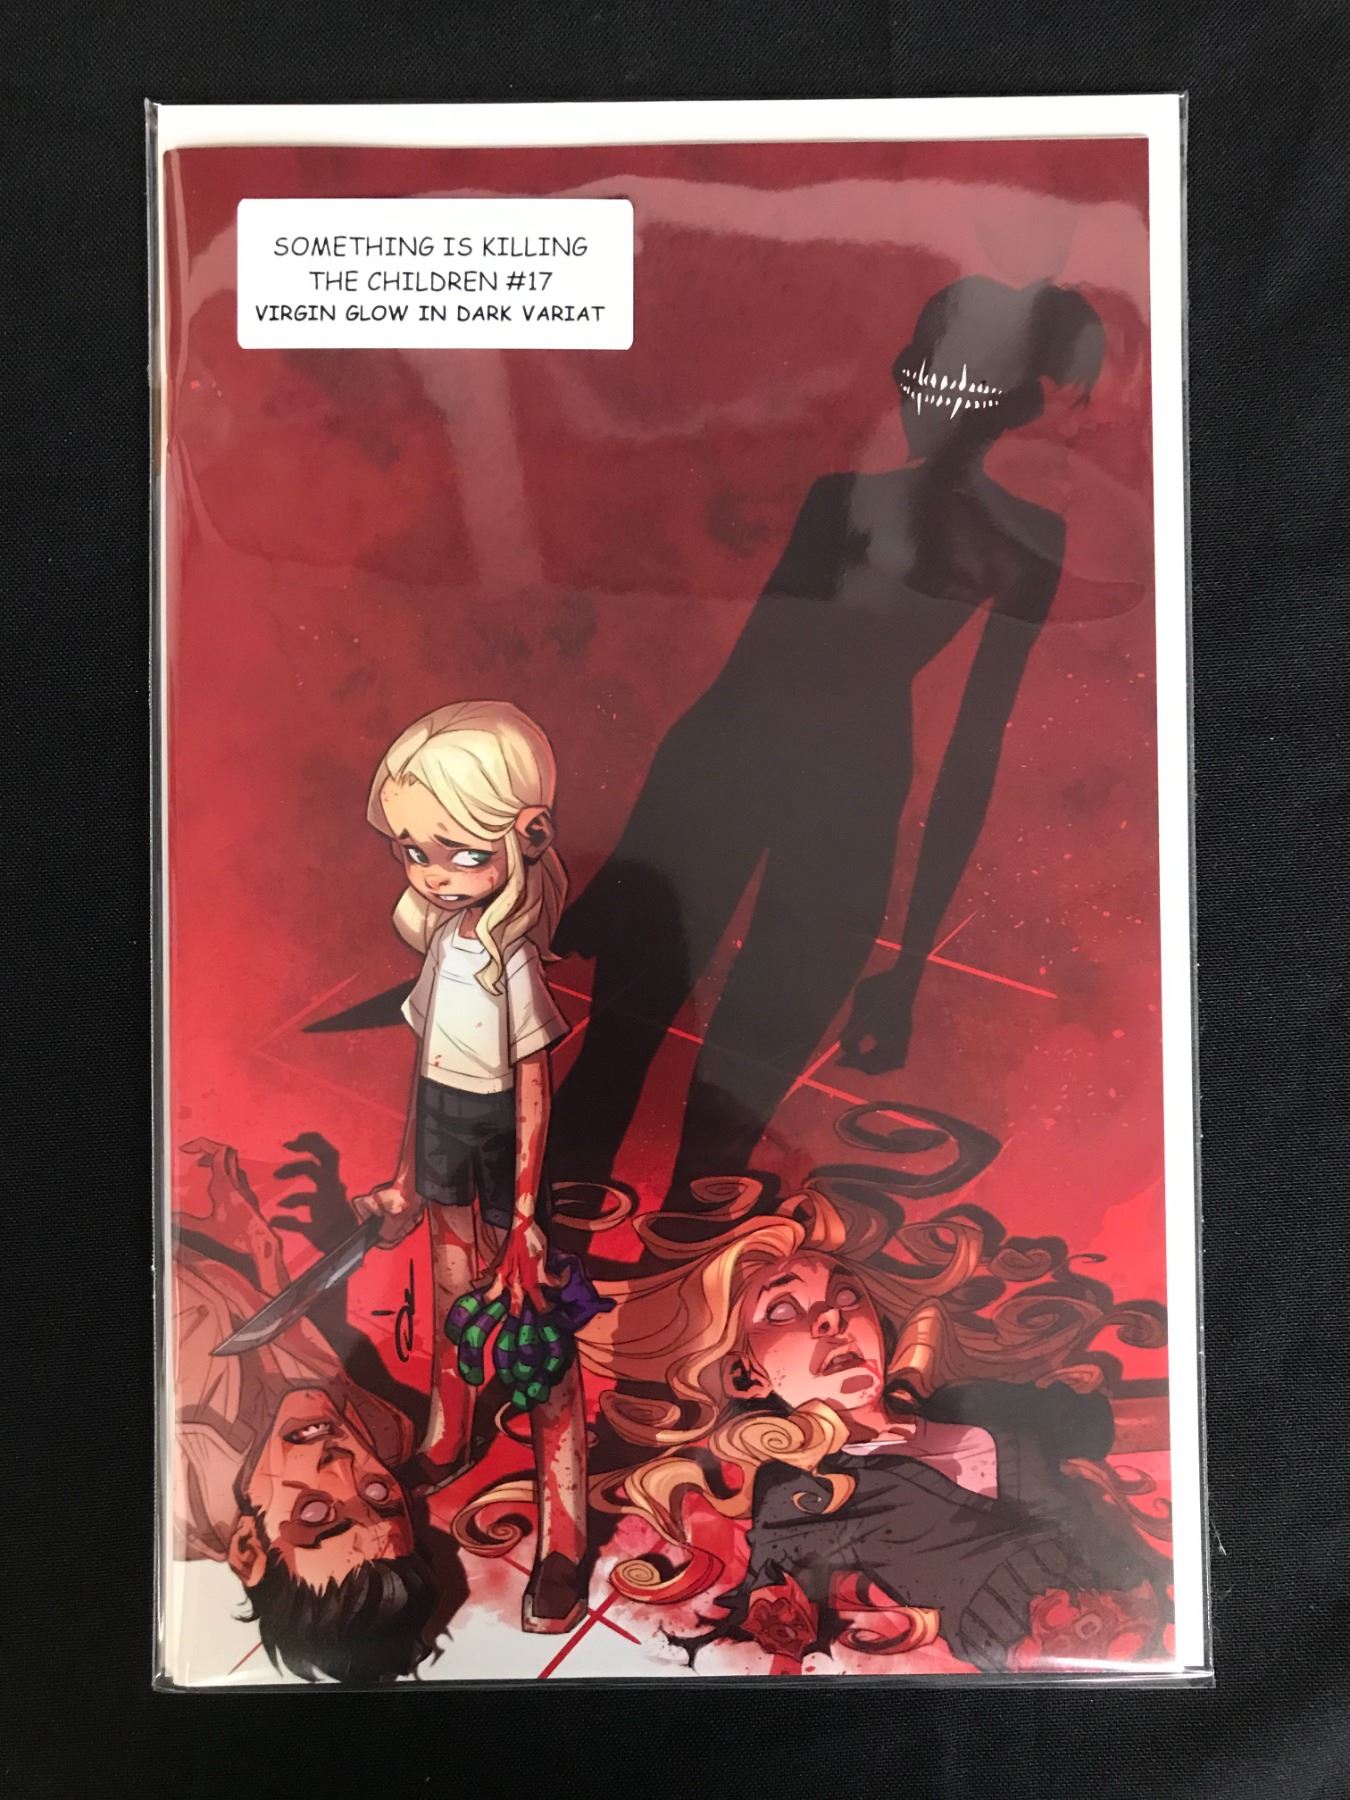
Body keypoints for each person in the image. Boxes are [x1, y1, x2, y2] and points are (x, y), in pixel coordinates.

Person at [550, 277, 1108, 1204]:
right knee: (672, 1071)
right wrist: (906, 967)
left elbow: (950, 748)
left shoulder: (946, 526)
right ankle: (569, 1276)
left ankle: (626, 1281)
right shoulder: (935, 522)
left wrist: (911, 967)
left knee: (687, 1080)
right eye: (917, 370)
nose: (913, 391)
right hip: (802, 782)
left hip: (786, 786)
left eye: (927, 372)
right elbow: (765, 693)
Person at [569, 1180, 1172, 1673]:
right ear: (745, 1375)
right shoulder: (799, 1494)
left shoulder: (977, 1401)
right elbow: (774, 1646)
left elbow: (1158, 1424)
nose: (832, 1319)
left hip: (1175, 1623)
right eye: (783, 1309)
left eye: (846, 1297)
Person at [352, 700, 605, 1632]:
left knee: (539, 1343)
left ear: (522, 840)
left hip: (508, 1150)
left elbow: (533, 1091)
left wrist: (527, 1214)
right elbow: (423, 1071)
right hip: (444, 1136)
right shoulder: (444, 947)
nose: (432, 873)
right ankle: (448, 1435)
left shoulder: (513, 967)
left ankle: (564, 1537)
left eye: (458, 852)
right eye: (413, 851)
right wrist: (403, 1178)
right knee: (453, 1294)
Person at [173, 1137, 447, 1685]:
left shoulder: (171, 1473)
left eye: (316, 1514)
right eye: (379, 1496)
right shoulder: (378, 1429)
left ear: (248, 1548)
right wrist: (250, 1233)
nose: (346, 1466)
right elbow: (285, 1329)